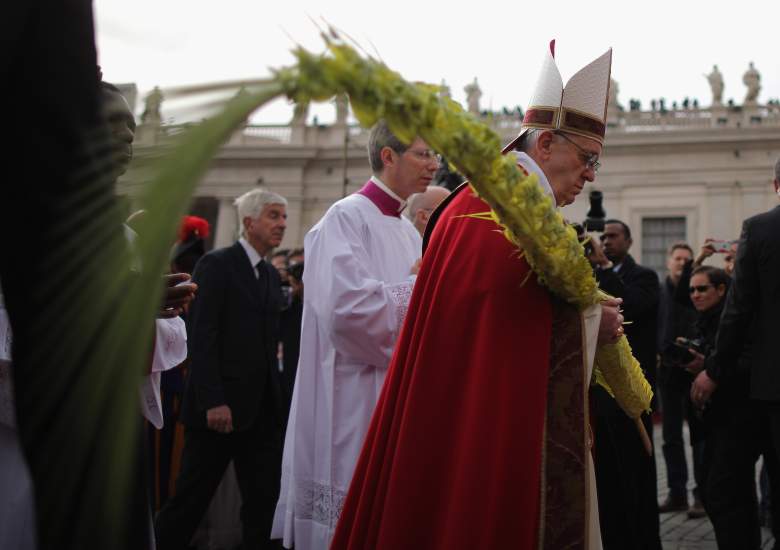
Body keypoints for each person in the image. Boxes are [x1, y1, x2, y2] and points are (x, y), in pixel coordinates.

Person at [331, 41, 623, 550]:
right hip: (490, 423)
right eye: (587, 156)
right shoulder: (503, 207)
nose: (592, 174)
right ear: (547, 143)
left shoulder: (504, 196)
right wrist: (595, 321)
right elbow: (501, 305)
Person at [271, 120, 430, 549]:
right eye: (423, 153)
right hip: (351, 391)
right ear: (388, 156)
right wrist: (428, 287)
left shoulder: (406, 230)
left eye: (435, 155)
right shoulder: (343, 218)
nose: (434, 164)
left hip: (395, 388)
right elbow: (349, 314)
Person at [155, 188, 288, 550]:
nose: (282, 224)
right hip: (218, 412)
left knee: (263, 505)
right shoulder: (217, 264)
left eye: (284, 217)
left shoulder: (271, 277)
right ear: (248, 222)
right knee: (189, 502)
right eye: (273, 216)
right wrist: (214, 400)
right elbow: (202, 336)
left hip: (261, 414)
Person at [691, 159, 780, 549]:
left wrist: (713, 370)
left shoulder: (761, 230)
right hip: (760, 384)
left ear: (775, 184)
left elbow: (739, 310)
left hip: (765, 386)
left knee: (728, 485)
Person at [588, 220, 662, 547]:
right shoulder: (588, 275)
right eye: (603, 237)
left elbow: (631, 304)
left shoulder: (644, 276)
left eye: (613, 236)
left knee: (636, 472)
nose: (606, 241)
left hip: (633, 387)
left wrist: (604, 267)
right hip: (599, 393)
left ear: (629, 241)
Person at [654, 243, 705, 516]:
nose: (682, 263)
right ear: (668, 261)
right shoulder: (659, 291)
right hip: (667, 372)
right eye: (678, 258)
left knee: (699, 436)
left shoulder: (698, 290)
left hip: (694, 370)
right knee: (671, 436)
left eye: (687, 259)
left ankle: (701, 495)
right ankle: (677, 494)